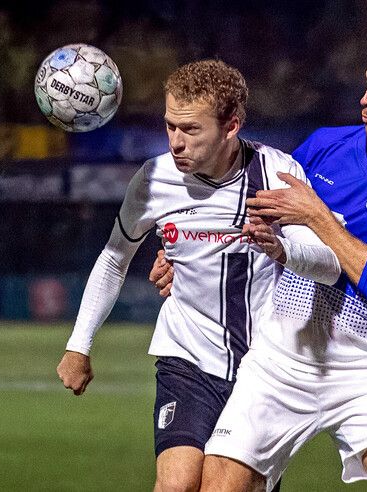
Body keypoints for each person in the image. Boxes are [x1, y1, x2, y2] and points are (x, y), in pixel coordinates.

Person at [190, 38, 367, 491]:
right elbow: (256, 222)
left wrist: (316, 215)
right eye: (366, 85)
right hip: (282, 357)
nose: (365, 98)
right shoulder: (323, 147)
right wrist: (180, 260)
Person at [56, 59, 341, 492]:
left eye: (191, 130)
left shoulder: (276, 175)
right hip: (187, 358)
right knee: (175, 485)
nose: (176, 142)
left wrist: (282, 249)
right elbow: (115, 258)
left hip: (265, 368)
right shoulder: (153, 179)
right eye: (170, 126)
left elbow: (328, 263)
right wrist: (79, 345)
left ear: (231, 125)